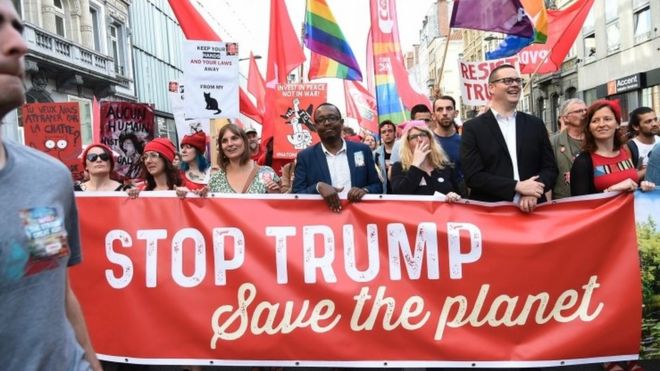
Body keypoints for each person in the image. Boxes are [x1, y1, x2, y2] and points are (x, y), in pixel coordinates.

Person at [0, 1, 102, 368]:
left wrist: (91, 363)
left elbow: (57, 292)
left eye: (18, 27)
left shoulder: (50, 178)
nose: (18, 44)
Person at [460, 64, 557, 213]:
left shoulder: (535, 124)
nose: (515, 85)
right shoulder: (473, 128)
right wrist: (516, 187)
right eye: (507, 81)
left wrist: (534, 190)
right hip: (493, 214)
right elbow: (473, 176)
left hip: (534, 211)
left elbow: (550, 169)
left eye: (518, 81)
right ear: (491, 88)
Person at [292, 103, 382, 212]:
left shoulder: (362, 150)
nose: (327, 123)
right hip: (323, 221)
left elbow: (377, 185)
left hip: (357, 219)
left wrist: (365, 190)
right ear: (315, 127)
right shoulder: (305, 157)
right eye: (321, 120)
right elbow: (296, 195)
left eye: (332, 118)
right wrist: (317, 187)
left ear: (341, 123)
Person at [570, 100, 655, 196]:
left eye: (607, 119)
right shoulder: (583, 162)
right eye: (595, 121)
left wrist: (642, 187)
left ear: (617, 124)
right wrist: (611, 190)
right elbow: (579, 205)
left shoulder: (625, 151)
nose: (601, 124)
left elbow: (632, 184)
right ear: (589, 127)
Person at [390, 121, 461, 201]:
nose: (419, 140)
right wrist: (415, 165)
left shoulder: (444, 166)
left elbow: (458, 193)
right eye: (413, 137)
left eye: (423, 135)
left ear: (430, 139)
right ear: (408, 143)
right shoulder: (399, 167)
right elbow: (399, 194)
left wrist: (453, 195)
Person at [209, 124, 281, 194]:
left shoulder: (265, 172)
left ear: (245, 142)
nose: (229, 144)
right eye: (224, 141)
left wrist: (276, 195)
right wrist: (202, 199)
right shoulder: (215, 179)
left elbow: (280, 204)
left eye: (234, 138)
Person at [550, 98, 587, 199]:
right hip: (565, 202)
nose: (584, 113)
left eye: (585, 110)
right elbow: (547, 175)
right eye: (579, 111)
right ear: (565, 118)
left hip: (592, 200)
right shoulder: (553, 143)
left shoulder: (596, 139)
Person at [430, 95, 463, 184]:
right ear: (433, 115)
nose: (444, 113)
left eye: (449, 108)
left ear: (456, 113)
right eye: (440, 109)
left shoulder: (465, 142)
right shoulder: (427, 142)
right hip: (434, 194)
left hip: (460, 195)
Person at [627, 106, 659, 180]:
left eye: (655, 119)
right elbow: (628, 179)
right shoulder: (630, 147)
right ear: (636, 127)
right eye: (648, 121)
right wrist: (652, 167)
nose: (654, 124)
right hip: (643, 190)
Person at [374, 120, 398, 193]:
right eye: (384, 132)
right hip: (384, 194)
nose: (387, 134)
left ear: (395, 133)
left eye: (390, 131)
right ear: (380, 135)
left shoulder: (403, 151)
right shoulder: (375, 154)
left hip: (400, 193)